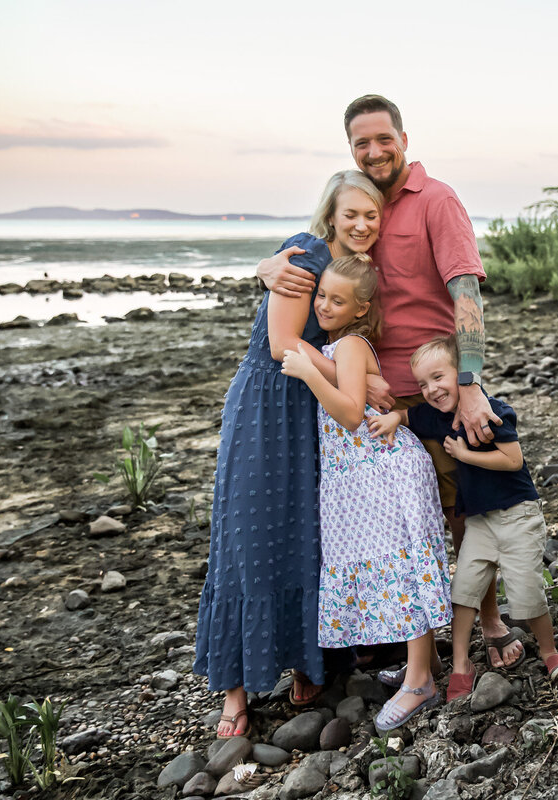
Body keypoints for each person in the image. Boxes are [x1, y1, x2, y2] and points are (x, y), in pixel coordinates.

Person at [257, 94, 524, 671]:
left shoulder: (437, 200)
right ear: (351, 149)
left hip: (434, 386)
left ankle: (492, 619)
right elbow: (317, 260)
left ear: (404, 138)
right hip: (369, 381)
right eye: (362, 143)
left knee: (462, 507)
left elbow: (468, 297)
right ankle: (399, 631)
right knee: (394, 520)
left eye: (384, 139)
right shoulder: (365, 205)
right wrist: (265, 267)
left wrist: (471, 383)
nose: (375, 151)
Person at [193, 169, 383, 738]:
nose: (360, 224)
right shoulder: (302, 254)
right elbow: (281, 345)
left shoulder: (355, 271)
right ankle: (234, 692)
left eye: (370, 215)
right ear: (330, 214)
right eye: (350, 213)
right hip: (267, 405)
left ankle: (306, 661)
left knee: (305, 531)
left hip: (309, 409)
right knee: (247, 532)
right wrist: (355, 378)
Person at [280, 254, 452, 731]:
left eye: (337, 300)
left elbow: (352, 414)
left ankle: (420, 683)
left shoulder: (352, 345)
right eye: (321, 297)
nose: (324, 306)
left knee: (400, 566)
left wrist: (310, 373)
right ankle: (426, 665)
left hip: (382, 470)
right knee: (390, 566)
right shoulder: (337, 345)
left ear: (360, 309)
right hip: (356, 476)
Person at [370, 336, 558, 700]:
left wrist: (465, 455)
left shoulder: (492, 412)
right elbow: (408, 414)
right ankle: (463, 663)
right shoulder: (436, 418)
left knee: (526, 590)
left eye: (438, 377)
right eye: (422, 384)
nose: (431, 389)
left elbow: (512, 460)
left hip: (516, 515)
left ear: (463, 376)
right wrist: (392, 419)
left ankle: (549, 652)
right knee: (464, 589)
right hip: (480, 521)